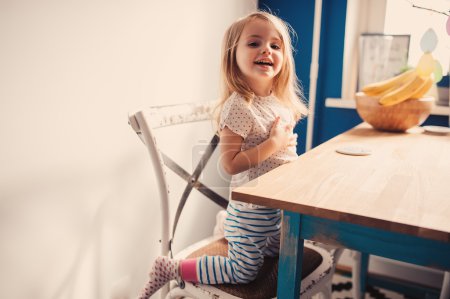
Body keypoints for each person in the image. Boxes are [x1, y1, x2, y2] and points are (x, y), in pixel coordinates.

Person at [138, 11, 308, 298]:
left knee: (287, 248)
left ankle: (228, 226)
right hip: (252, 210)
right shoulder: (239, 107)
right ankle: (173, 268)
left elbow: (283, 155)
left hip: (276, 206)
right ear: (233, 56)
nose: (266, 49)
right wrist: (274, 144)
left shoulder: (279, 104)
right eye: (254, 43)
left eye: (275, 46)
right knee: (243, 271)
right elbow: (229, 165)